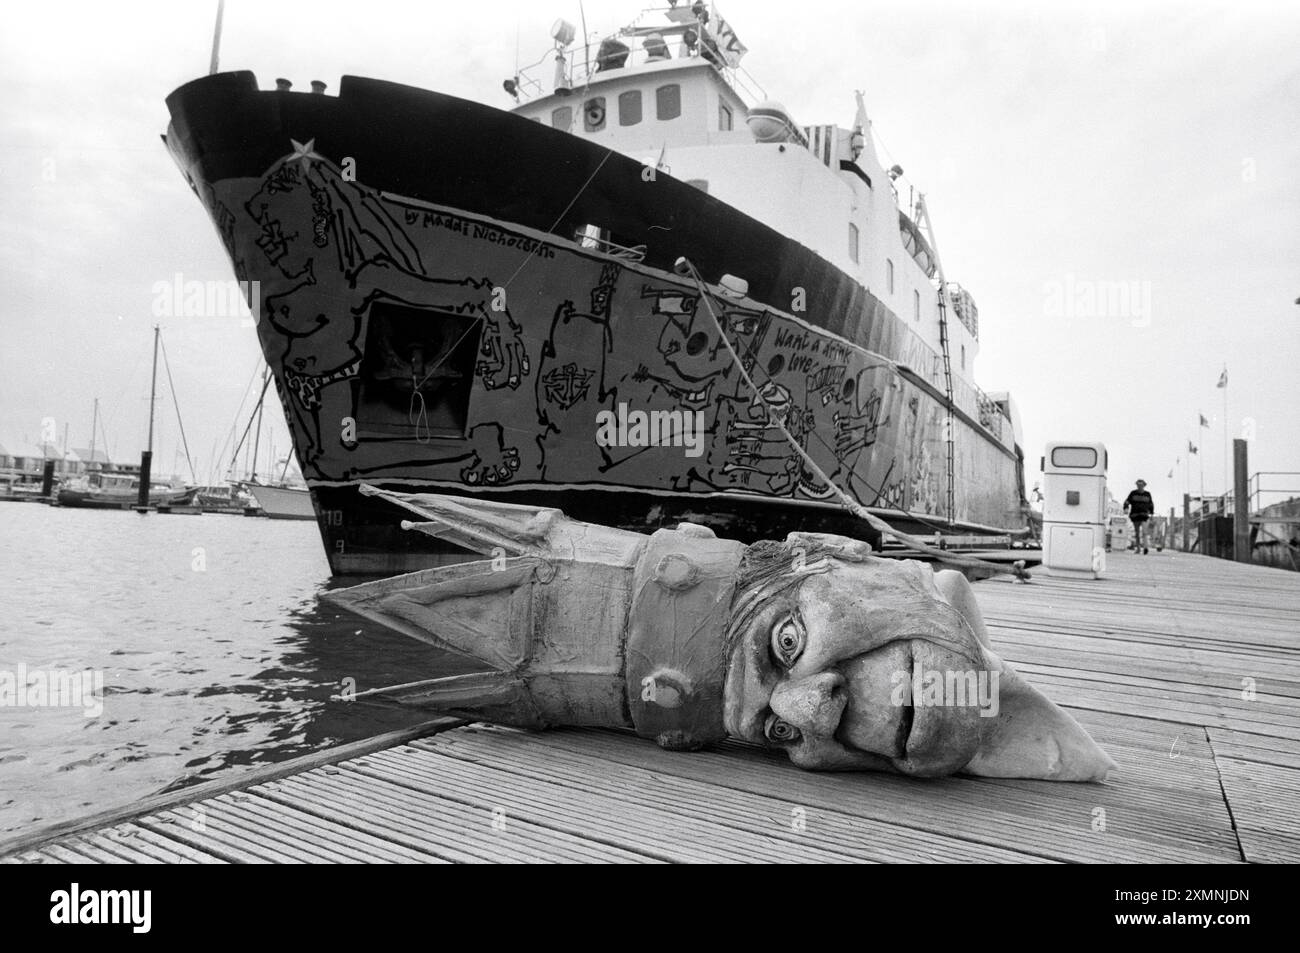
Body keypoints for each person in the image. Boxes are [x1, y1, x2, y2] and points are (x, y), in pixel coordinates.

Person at [1123, 479, 1155, 554]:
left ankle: (1145, 548)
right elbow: (1127, 502)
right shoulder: (1133, 493)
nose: (1139, 486)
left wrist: (1151, 512)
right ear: (1137, 485)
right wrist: (1126, 508)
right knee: (1137, 533)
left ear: (1144, 485)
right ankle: (1138, 548)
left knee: (1144, 532)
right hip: (1135, 516)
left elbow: (1151, 504)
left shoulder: (1147, 494)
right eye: (1138, 485)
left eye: (1141, 485)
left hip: (1144, 516)